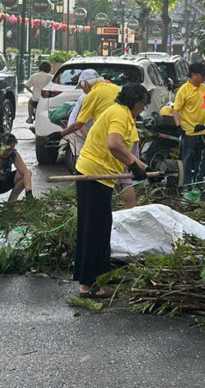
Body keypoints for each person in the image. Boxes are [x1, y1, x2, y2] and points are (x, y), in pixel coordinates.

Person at [73, 83, 154, 299]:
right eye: (143, 105)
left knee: (99, 227)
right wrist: (133, 166)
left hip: (101, 176)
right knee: (94, 229)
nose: (142, 109)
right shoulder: (119, 114)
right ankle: (88, 284)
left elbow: (124, 150)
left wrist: (146, 169)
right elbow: (114, 145)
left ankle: (97, 275)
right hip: (94, 175)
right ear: (137, 102)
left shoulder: (123, 114)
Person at [173, 62, 205, 187]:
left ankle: (198, 184)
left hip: (203, 130)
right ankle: (187, 185)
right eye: (202, 75)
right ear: (194, 75)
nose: (204, 78)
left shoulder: (203, 87)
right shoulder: (184, 90)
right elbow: (176, 110)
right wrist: (178, 126)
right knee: (187, 159)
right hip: (189, 131)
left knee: (201, 159)